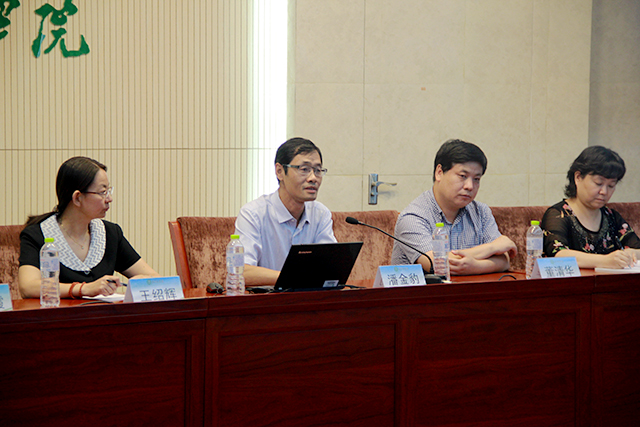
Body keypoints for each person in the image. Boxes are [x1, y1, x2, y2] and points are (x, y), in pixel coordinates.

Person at [19, 156, 158, 299]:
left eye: (109, 191)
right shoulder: (37, 235)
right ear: (77, 198)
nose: (109, 199)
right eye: (102, 192)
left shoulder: (110, 233)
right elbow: (28, 286)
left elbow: (154, 278)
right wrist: (83, 289)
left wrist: (141, 281)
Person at [391, 139, 517, 275]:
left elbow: (504, 260)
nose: (470, 186)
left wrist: (475, 266)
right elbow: (438, 264)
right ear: (439, 172)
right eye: (463, 176)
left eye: (476, 179)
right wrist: (491, 248)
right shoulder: (412, 217)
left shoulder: (481, 212)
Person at [235, 137, 336, 286]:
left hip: (309, 299)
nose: (313, 178)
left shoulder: (321, 214)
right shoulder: (253, 214)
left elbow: (331, 268)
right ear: (280, 171)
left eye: (317, 170)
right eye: (304, 169)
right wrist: (294, 277)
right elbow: (241, 272)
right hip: (268, 299)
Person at [541, 146, 640, 269]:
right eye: (598, 183)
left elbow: (637, 248)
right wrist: (605, 261)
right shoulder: (558, 214)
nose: (604, 192)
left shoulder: (611, 216)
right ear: (578, 177)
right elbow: (558, 255)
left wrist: (630, 254)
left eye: (611, 186)